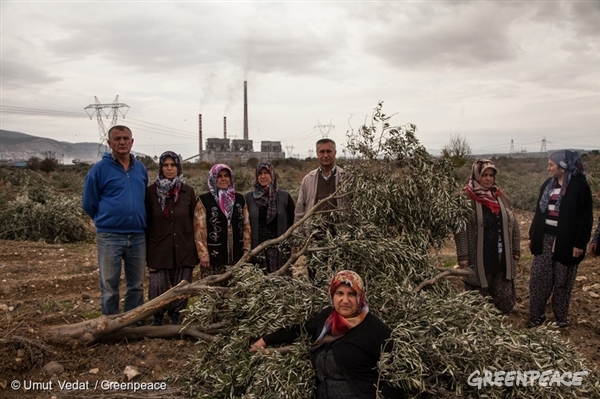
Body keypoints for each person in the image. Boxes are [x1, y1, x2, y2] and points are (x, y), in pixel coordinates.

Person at [250, 270, 402, 398]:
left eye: (352, 294)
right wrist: (264, 340)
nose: (345, 300)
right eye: (339, 293)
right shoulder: (327, 318)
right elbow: (300, 330)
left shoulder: (375, 330)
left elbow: (398, 375)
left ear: (360, 297)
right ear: (332, 295)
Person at [82, 125, 148, 315]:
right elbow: (89, 203)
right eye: (117, 139)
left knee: (136, 284)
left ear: (132, 142)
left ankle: (132, 322)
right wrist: (106, 219)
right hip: (110, 235)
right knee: (109, 285)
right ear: (110, 143)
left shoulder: (140, 169)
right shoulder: (99, 170)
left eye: (126, 138)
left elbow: (143, 197)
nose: (122, 142)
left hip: (137, 235)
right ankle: (110, 324)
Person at [528, 150, 593, 328]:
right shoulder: (548, 185)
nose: (548, 168)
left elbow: (585, 218)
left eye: (551, 164)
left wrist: (580, 244)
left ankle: (561, 318)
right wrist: (533, 236)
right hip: (545, 239)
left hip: (566, 242)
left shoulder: (580, 186)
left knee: (563, 282)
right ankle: (536, 316)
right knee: (539, 278)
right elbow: (539, 213)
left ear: (563, 167)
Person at [455, 160, 521, 313]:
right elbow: (460, 229)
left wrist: (516, 249)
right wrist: (463, 255)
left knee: (502, 288)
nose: (489, 179)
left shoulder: (500, 196)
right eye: (484, 175)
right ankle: (479, 323)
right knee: (478, 293)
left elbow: (513, 222)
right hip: (478, 255)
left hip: (501, 252)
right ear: (477, 175)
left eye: (491, 175)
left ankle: (502, 318)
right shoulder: (466, 198)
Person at [145, 151, 199, 326]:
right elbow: (146, 221)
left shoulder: (188, 192)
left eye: (173, 165)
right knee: (158, 285)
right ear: (161, 168)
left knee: (181, 284)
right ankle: (157, 316)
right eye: (165, 165)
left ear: (178, 167)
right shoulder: (151, 193)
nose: (169, 168)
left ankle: (176, 316)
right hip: (159, 247)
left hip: (183, 247)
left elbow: (195, 221)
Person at [194, 164, 251, 277]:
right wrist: (203, 253)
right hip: (213, 258)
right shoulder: (204, 200)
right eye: (219, 176)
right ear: (213, 178)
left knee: (234, 291)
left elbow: (246, 226)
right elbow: (199, 230)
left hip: (236, 256)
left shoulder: (239, 199)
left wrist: (246, 249)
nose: (223, 179)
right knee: (213, 291)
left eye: (226, 176)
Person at [244, 161, 295, 274]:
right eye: (260, 173)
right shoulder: (248, 198)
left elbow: (293, 223)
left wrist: (293, 246)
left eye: (266, 173)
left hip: (280, 252)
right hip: (257, 251)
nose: (263, 176)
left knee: (281, 284)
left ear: (272, 174)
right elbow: (244, 226)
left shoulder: (284, 197)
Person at [294, 138, 346, 223]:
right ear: (317, 154)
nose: (325, 155)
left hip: (341, 234)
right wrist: (298, 232)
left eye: (329, 151)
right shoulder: (308, 180)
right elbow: (299, 211)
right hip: (313, 234)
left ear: (335, 153)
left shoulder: (346, 177)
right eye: (322, 152)